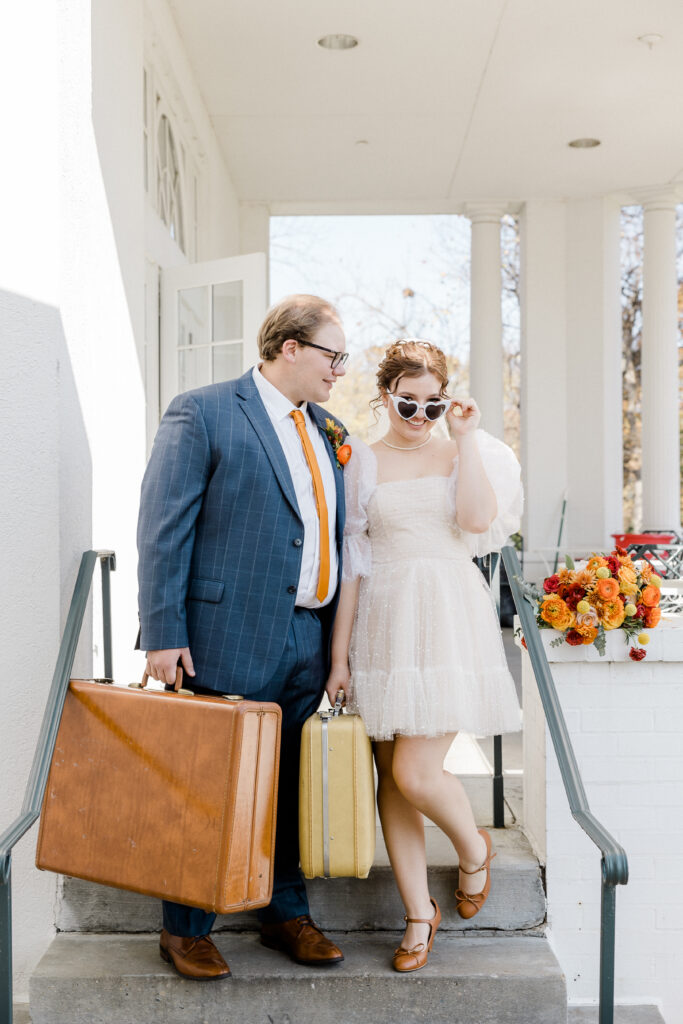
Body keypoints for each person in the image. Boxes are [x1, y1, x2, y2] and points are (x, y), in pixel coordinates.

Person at [137, 294, 349, 980]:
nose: (338, 370)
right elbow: (164, 527)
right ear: (289, 347)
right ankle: (184, 929)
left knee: (287, 782)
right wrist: (162, 633)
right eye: (331, 355)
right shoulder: (201, 411)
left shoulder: (328, 428)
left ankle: (284, 913)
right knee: (208, 783)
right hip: (221, 632)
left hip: (306, 637)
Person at [325, 339, 522, 973]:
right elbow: (353, 564)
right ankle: (418, 913)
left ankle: (472, 849)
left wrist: (463, 439)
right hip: (382, 616)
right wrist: (339, 657)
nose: (418, 415)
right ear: (386, 396)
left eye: (431, 404)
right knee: (392, 776)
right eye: (407, 403)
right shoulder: (361, 462)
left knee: (416, 770)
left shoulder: (463, 450)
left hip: (444, 615)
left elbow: (476, 521)